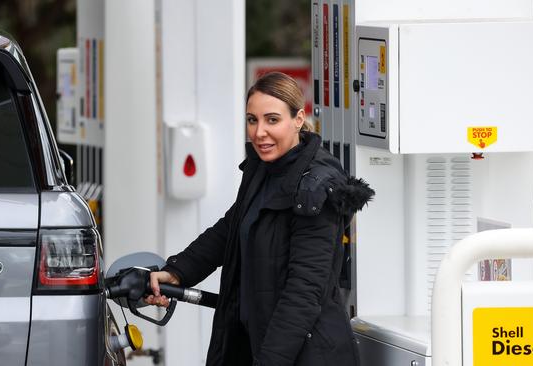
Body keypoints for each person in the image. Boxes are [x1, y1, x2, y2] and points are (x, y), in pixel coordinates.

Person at [145, 72, 374, 365]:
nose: (259, 132)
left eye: (272, 120)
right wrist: (177, 272)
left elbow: (303, 293)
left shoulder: (316, 187)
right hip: (257, 343)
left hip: (306, 354)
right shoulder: (264, 170)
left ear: (299, 119)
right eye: (252, 120)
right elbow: (231, 228)